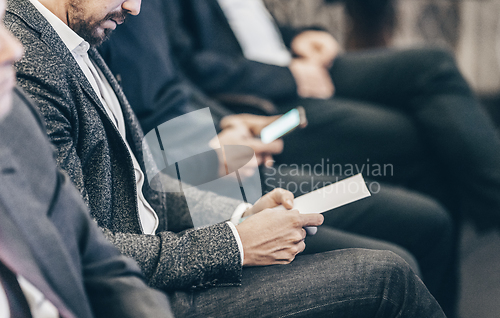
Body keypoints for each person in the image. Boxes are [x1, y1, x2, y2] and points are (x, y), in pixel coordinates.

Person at [5, 0, 461, 318]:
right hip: (148, 290)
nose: (136, 8)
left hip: (181, 200)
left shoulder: (80, 35)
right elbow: (87, 249)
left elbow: (142, 170)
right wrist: (235, 240)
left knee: (410, 237)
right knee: (389, 275)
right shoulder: (30, 60)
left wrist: (241, 214)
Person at [165, 0, 500, 234]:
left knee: (432, 64)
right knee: (424, 137)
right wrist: (290, 77)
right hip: (264, 95)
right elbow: (186, 66)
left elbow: (245, 23)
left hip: (289, 61)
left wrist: (300, 35)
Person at [0, 4, 226, 318]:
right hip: (163, 275)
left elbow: (94, 256)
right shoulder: (32, 69)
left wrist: (240, 220)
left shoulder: (16, 112)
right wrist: (234, 241)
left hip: (145, 290)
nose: (13, 49)